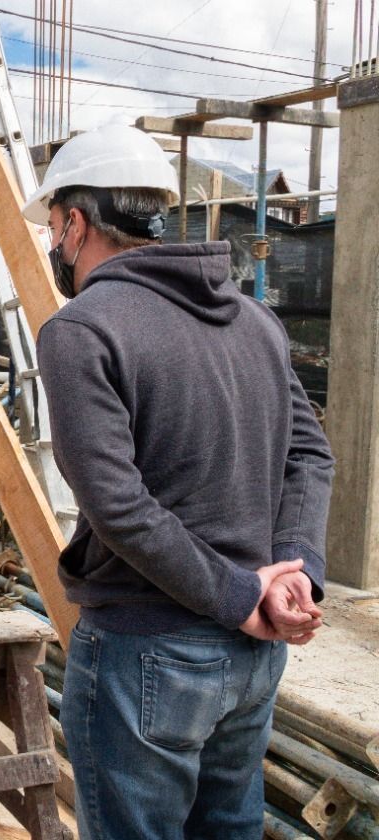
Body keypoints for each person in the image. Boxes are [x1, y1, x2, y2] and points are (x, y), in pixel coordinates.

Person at [29, 125, 334, 839]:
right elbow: (310, 458)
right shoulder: (256, 321)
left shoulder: (82, 328)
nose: (53, 244)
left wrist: (241, 595)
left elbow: (118, 507)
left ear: (76, 222)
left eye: (52, 225)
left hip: (149, 652)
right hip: (254, 654)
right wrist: (296, 575)